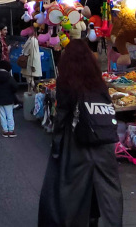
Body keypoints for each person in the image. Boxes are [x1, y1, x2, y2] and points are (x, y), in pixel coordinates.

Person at [38, 40, 123, 227]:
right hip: (103, 143)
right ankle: (107, 222)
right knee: (107, 190)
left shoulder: (66, 80)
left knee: (73, 192)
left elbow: (61, 116)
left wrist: (56, 146)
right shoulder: (98, 80)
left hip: (76, 143)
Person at [0, 61, 19, 138]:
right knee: (10, 115)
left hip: (0, 99)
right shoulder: (9, 77)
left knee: (2, 115)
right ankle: (11, 131)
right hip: (9, 99)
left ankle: (5, 131)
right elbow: (15, 86)